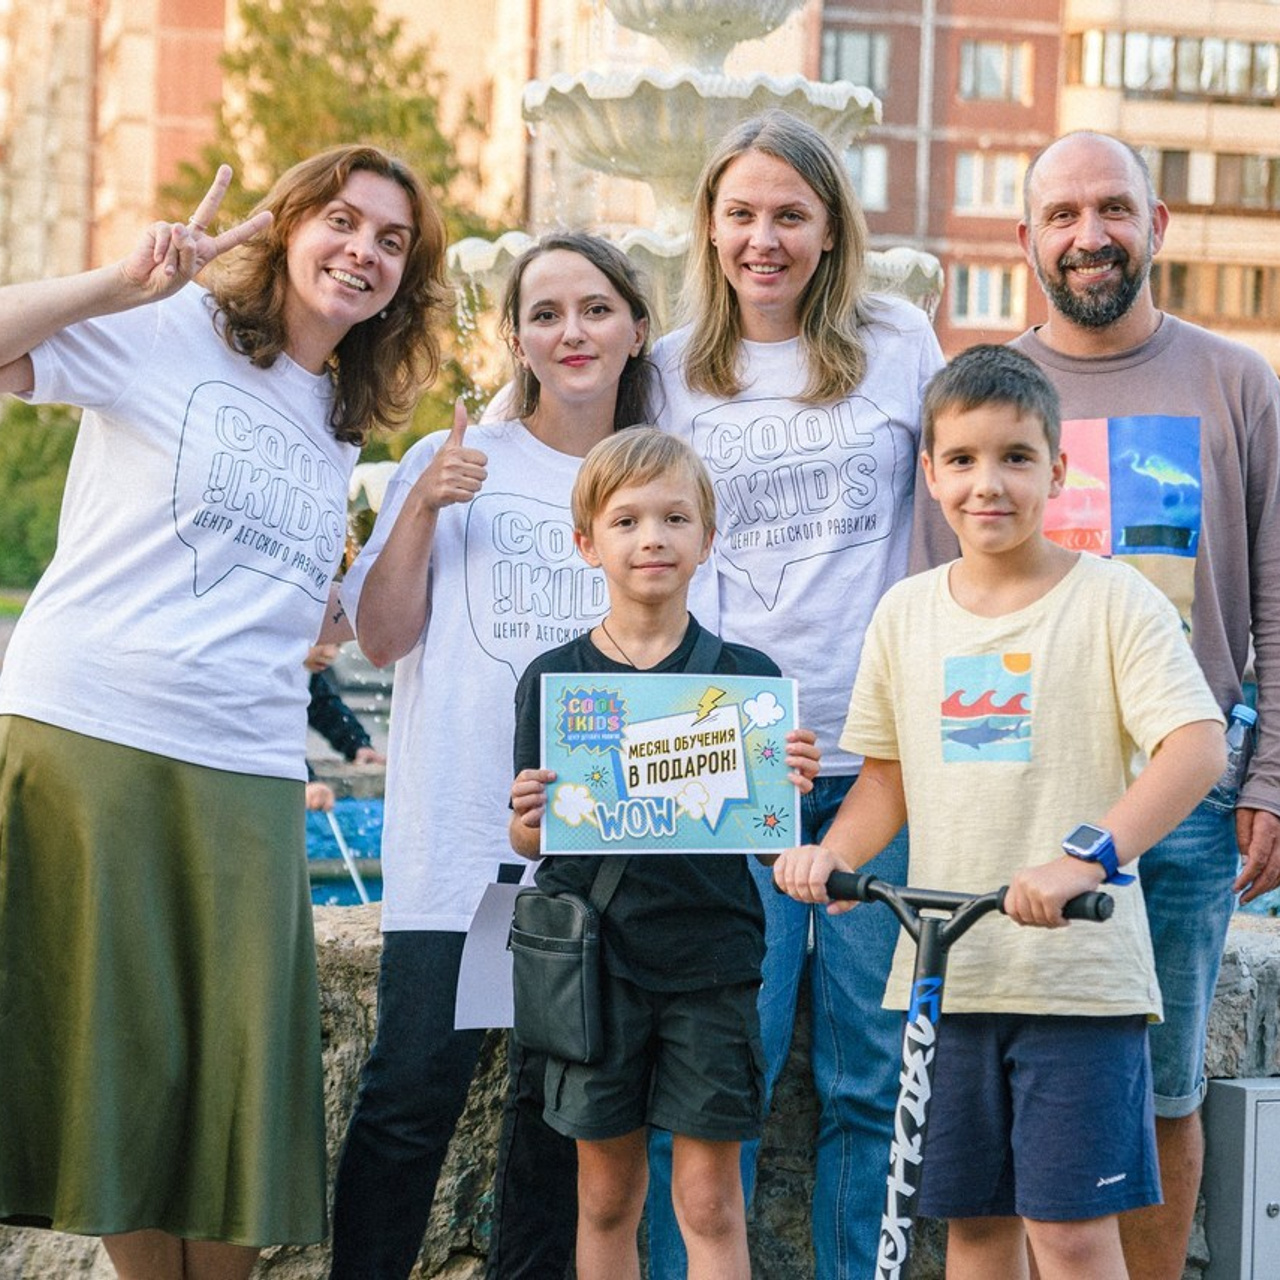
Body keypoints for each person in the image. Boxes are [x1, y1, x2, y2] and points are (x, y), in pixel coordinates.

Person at [0, 146, 450, 1280]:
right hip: (88, 732)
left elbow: (350, 625)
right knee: (117, 1063)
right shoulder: (170, 330)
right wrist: (120, 281)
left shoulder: (339, 423)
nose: (362, 251)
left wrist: (422, 516)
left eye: (391, 240)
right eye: (342, 222)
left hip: (246, 760)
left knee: (239, 1076)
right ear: (288, 227)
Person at [913, 129, 1280, 1280]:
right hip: (1001, 786)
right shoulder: (972, 399)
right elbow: (933, 607)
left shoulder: (1234, 381)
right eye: (1060, 215)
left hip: (1178, 796)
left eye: (1111, 208)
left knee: (1158, 1090)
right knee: (1000, 1095)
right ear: (1023, 239)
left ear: (1155, 224)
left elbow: (1275, 587)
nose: (1087, 235)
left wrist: (1268, 777)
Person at [775, 343, 1225, 1280]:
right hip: (951, 979)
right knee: (974, 1232)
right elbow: (884, 781)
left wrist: (1087, 860)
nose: (991, 483)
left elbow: (1196, 747)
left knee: (1066, 1233)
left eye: (1017, 458)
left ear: (1058, 470)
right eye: (966, 460)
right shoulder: (906, 614)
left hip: (1076, 979)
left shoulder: (1115, 602)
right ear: (931, 473)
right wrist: (830, 855)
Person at [647, 108, 945, 1278]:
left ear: (829, 230)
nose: (761, 239)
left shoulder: (897, 337)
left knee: (870, 1078)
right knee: (722, 1070)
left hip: (881, 753)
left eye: (788, 215)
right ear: (709, 226)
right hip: (728, 756)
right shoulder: (668, 367)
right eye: (740, 215)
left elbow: (954, 511)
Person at [330, 232, 655, 1280]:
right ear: (513, 333)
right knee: (406, 1098)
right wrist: (424, 505)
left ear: (636, 327)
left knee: (555, 1125)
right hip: (458, 849)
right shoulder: (451, 459)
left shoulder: (651, 475)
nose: (572, 331)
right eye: (546, 311)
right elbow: (378, 637)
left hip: (594, 858)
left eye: (596, 308)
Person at [509, 428, 820, 1280]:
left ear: (706, 540)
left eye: (676, 517)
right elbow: (533, 839)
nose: (653, 537)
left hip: (712, 966)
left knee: (711, 1202)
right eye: (627, 520)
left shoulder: (747, 679)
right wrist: (527, 816)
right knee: (607, 1197)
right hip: (594, 973)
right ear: (588, 543)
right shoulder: (552, 680)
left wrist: (789, 785)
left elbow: (773, 843)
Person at [303, 642, 385, 811]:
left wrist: (357, 745)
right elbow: (269, 733)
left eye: (338, 645)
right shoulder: (264, 671)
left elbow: (324, 706)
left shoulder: (305, 672)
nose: (330, 653)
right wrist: (304, 780)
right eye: (322, 642)